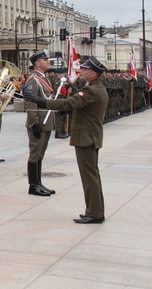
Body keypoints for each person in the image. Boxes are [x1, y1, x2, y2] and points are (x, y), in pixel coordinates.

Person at [27, 57, 109, 224]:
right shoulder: (94, 88)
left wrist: (40, 101)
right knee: (91, 176)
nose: (82, 71)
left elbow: (69, 104)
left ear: (93, 74)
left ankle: (94, 213)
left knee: (89, 177)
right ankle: (95, 210)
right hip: (89, 136)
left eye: (85, 70)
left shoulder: (92, 90)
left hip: (86, 137)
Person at [24, 51, 57, 197]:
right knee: (35, 154)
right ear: (37, 63)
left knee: (40, 154)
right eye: (45, 59)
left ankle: (39, 182)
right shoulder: (33, 80)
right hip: (39, 122)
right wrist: (35, 122)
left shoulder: (44, 79)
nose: (48, 61)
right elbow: (30, 104)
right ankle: (33, 185)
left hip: (47, 120)